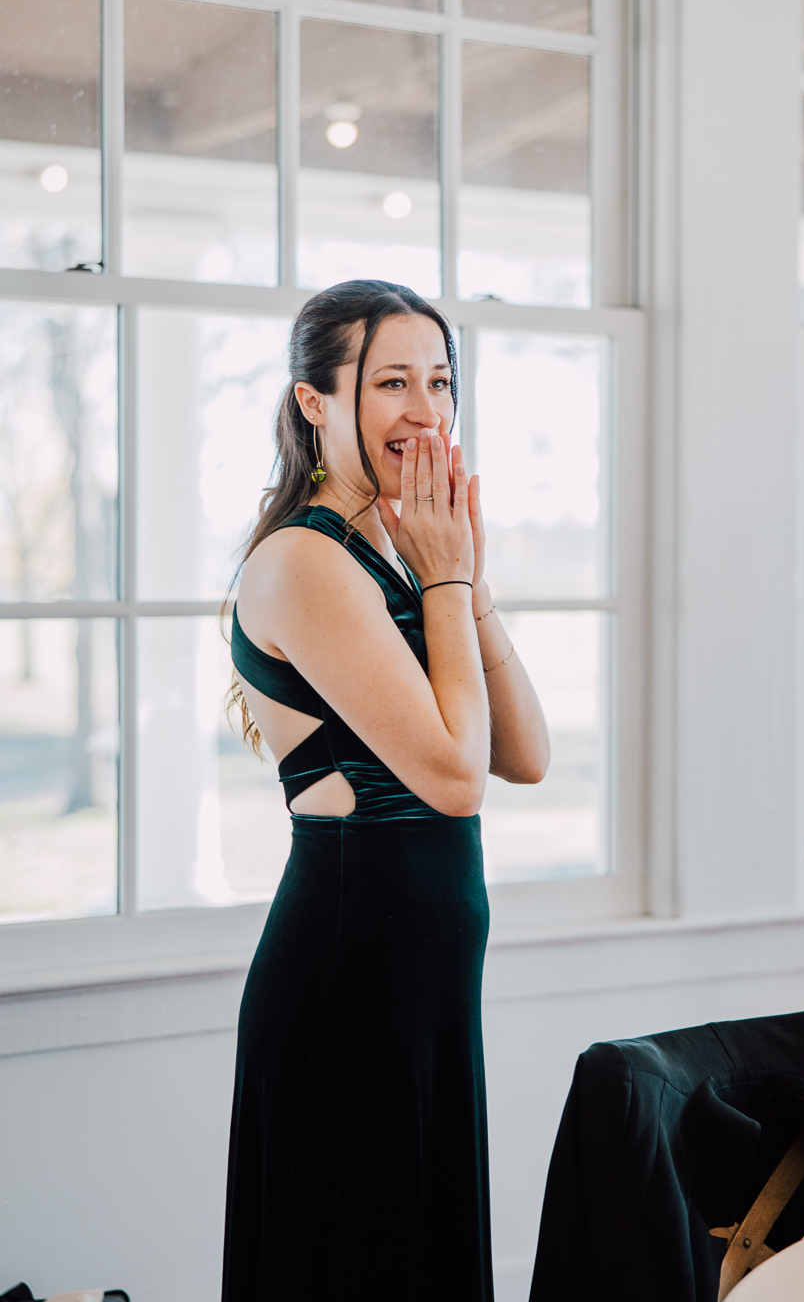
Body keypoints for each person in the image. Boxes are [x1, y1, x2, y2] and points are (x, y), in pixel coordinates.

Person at [221, 279, 550, 1300]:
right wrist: (445, 581)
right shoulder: (305, 563)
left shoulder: (403, 558)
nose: (427, 410)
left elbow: (526, 751)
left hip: (426, 987)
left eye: (442, 381)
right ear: (316, 401)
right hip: (348, 978)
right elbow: (457, 780)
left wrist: (465, 575)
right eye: (393, 381)